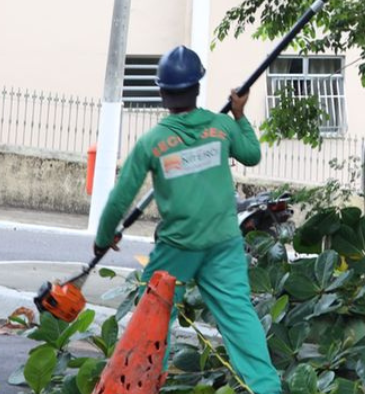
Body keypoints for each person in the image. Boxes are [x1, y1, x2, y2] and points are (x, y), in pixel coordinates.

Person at [93, 45, 281, 394]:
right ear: (197, 88)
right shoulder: (222, 127)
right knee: (240, 319)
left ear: (162, 93)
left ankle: (140, 385)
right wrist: (239, 115)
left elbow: (120, 197)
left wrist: (104, 238)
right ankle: (267, 389)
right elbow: (252, 154)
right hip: (224, 243)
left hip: (177, 248)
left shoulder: (152, 142)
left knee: (153, 321)